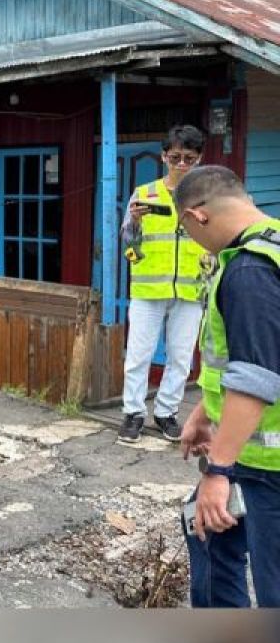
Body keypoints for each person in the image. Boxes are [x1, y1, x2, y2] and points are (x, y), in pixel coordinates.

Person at [174, 166, 280, 608]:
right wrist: (203, 413)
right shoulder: (270, 242)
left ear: (198, 217)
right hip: (252, 454)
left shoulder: (250, 272)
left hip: (266, 464)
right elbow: (238, 358)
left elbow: (255, 379)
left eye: (186, 230)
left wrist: (219, 471)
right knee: (205, 530)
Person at [117, 124, 208, 444]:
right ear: (163, 156)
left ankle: (166, 412)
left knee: (182, 357)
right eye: (175, 157)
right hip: (148, 288)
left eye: (189, 158)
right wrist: (136, 224)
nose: (182, 164)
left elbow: (217, 242)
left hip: (190, 289)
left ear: (199, 158)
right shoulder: (144, 194)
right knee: (138, 355)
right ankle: (133, 413)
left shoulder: (207, 198)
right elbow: (127, 240)